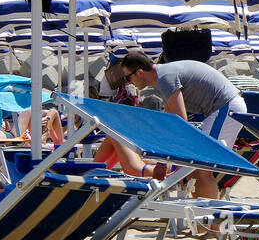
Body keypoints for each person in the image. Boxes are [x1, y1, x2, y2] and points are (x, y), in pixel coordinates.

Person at [102, 49, 246, 200]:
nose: (128, 83)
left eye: (127, 78)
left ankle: (211, 222)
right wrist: (162, 163)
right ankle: (202, 219)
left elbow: (181, 124)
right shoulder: (164, 76)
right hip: (225, 107)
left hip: (226, 107)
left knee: (201, 169)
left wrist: (164, 163)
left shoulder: (165, 78)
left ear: (139, 72)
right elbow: (170, 125)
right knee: (194, 169)